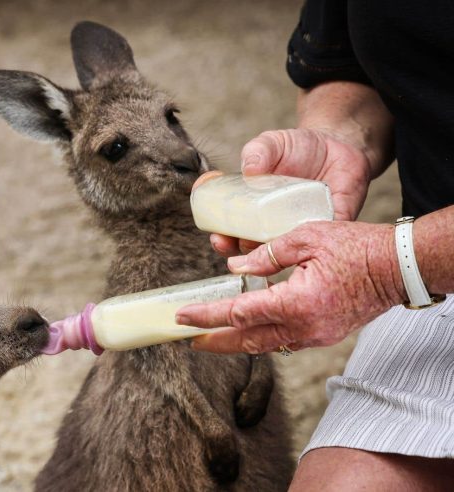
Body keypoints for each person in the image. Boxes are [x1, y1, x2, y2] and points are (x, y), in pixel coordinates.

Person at [176, 1, 454, 489]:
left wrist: (386, 268)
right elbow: (348, 59)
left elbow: (396, 264)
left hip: (420, 262)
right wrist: (339, 137)